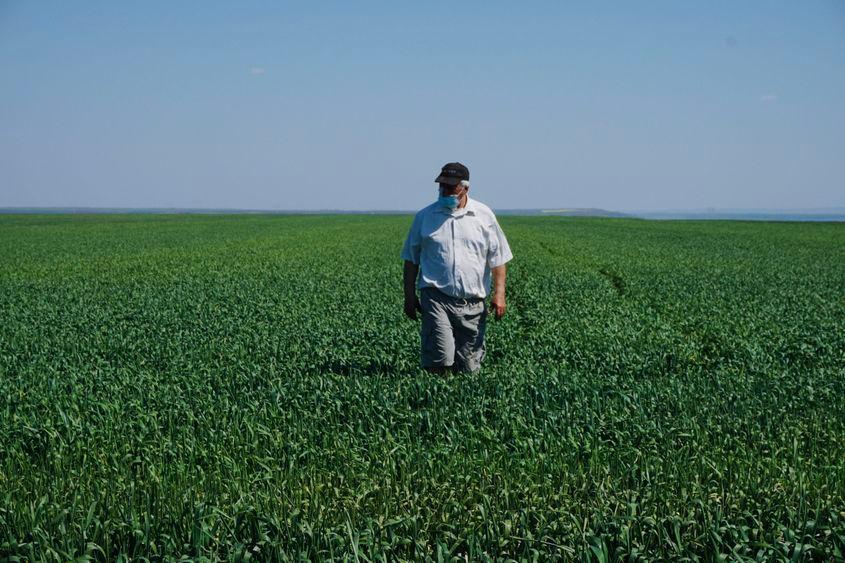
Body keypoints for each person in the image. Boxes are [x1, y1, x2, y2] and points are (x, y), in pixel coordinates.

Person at [401, 162, 513, 373]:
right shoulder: (425, 217)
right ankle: (433, 399)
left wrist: (500, 294)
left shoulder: (484, 216)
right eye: (442, 186)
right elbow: (411, 259)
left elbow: (498, 258)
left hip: (473, 302)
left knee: (469, 368)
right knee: (439, 358)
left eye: (451, 187)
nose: (445, 191)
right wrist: (409, 295)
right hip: (436, 297)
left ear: (465, 188)